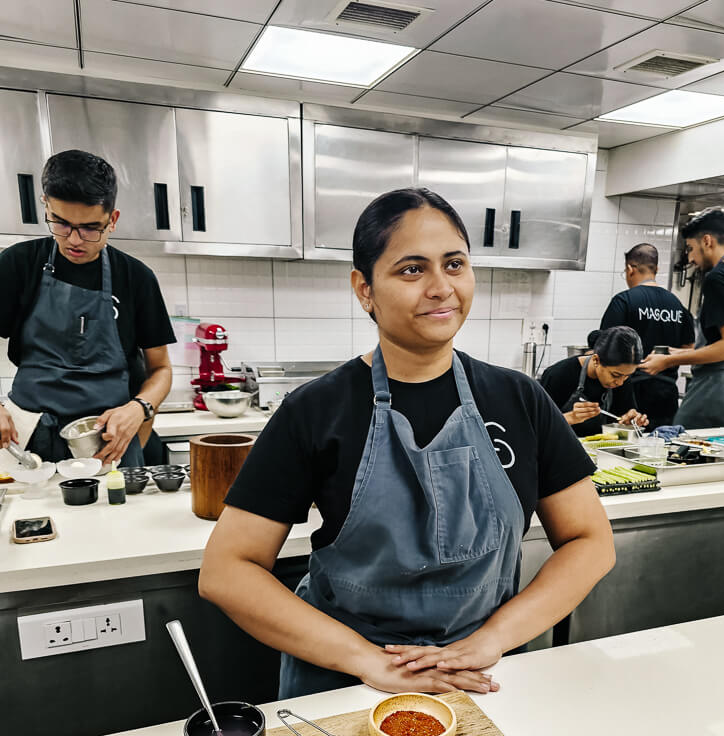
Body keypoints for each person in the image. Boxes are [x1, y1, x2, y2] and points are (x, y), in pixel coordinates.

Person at [199, 188, 616, 699]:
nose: (441, 288)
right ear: (364, 289)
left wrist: (492, 639)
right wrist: (367, 661)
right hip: (346, 681)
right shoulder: (315, 411)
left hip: (483, 676)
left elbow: (590, 541)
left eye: (455, 264)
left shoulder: (520, 399)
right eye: (412, 269)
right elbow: (226, 570)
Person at [0, 149, 175, 466]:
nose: (74, 240)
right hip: (26, 439)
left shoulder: (136, 278)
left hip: (107, 439)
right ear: (46, 206)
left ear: (113, 220)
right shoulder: (18, 264)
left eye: (91, 228)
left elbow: (160, 369)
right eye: (61, 223)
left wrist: (139, 408)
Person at [639, 208, 724, 429]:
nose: (690, 258)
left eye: (690, 248)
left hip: (717, 389)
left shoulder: (719, 277)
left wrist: (670, 361)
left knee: (681, 448)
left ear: (707, 241)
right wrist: (681, 352)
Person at [600, 243, 694, 428]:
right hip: (667, 394)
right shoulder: (678, 306)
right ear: (656, 269)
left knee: (625, 447)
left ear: (630, 269)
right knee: (661, 445)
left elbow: (605, 346)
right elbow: (688, 350)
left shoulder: (624, 301)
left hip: (629, 395)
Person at [539, 327, 648, 437]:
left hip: (603, 448)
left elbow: (624, 415)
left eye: (627, 376)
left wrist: (631, 421)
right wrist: (570, 418)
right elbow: (536, 424)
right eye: (615, 375)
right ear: (596, 360)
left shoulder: (622, 377)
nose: (620, 383)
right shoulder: (559, 375)